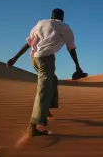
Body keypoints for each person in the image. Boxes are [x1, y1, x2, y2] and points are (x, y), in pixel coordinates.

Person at [6, 8, 86, 136]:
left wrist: (15, 57)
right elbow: (71, 48)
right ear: (62, 17)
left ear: (51, 16)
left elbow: (29, 43)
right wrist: (78, 67)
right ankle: (32, 127)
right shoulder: (64, 26)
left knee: (52, 79)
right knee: (43, 89)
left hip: (34, 59)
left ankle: (47, 109)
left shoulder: (40, 23)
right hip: (46, 59)